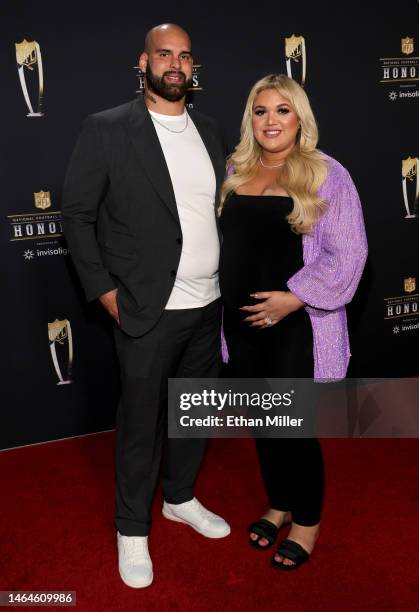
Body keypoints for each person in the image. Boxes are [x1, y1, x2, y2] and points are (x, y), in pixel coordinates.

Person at [62, 23, 230, 589]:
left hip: (209, 306)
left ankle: (180, 498)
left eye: (184, 55)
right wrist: (105, 291)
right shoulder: (108, 129)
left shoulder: (209, 129)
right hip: (146, 309)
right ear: (144, 62)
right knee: (140, 425)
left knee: (195, 414)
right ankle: (131, 529)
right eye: (165, 55)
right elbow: (78, 216)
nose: (175, 64)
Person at [218, 74, 367, 570]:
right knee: (262, 423)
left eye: (283, 110)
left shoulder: (327, 173)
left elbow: (348, 253)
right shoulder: (237, 169)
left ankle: (306, 519)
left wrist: (293, 298)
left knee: (292, 427)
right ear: (250, 119)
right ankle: (279, 502)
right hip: (240, 322)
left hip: (294, 324)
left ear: (299, 117)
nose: (271, 121)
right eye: (261, 111)